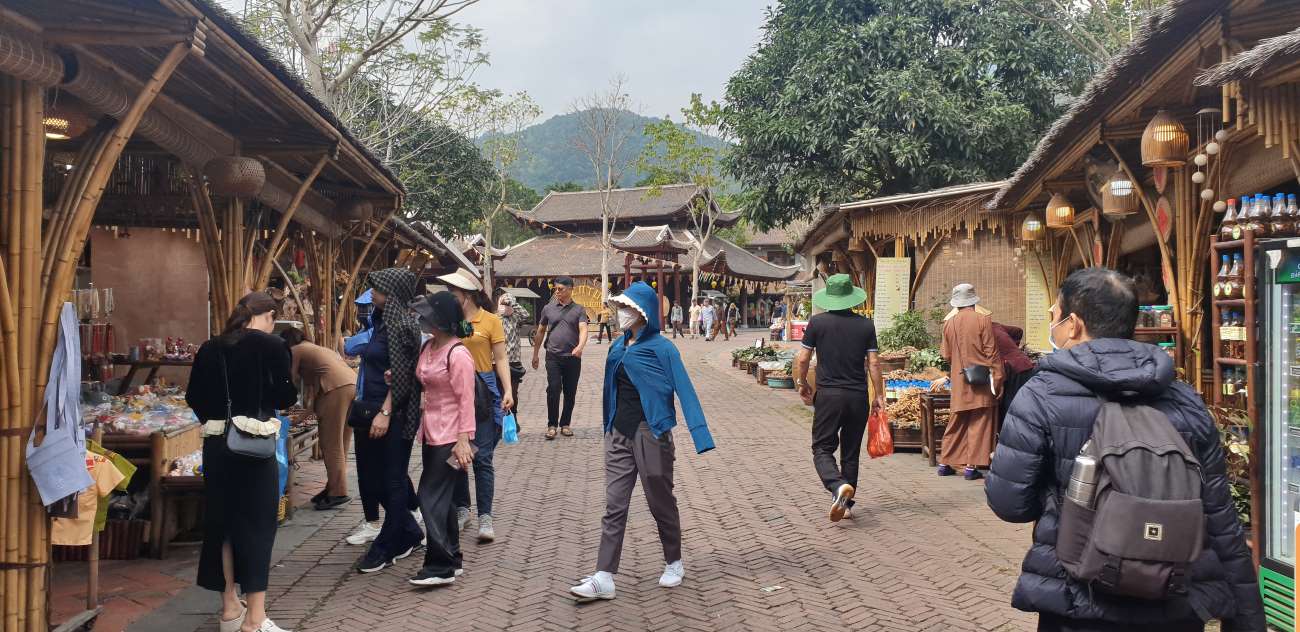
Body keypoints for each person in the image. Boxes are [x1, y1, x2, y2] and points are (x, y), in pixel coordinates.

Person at [985, 268, 1264, 632]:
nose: (1051, 321)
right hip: (1175, 597)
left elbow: (1010, 503)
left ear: (1074, 325)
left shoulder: (1040, 395)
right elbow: (1221, 519)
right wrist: (1245, 618)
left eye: (1054, 314)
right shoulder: (1184, 400)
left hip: (1076, 596)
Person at [569, 282, 715, 601]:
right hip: (619, 434)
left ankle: (674, 561)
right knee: (614, 505)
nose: (622, 313)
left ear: (643, 313)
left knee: (659, 501)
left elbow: (685, 389)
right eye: (621, 307)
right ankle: (604, 575)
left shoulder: (664, 348)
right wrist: (608, 427)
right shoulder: (617, 348)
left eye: (628, 308)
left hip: (653, 433)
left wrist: (700, 434)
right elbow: (611, 391)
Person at [186, 292, 298, 632]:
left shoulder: (210, 347)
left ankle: (230, 610)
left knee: (223, 526)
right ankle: (255, 618)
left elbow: (194, 398)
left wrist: (219, 416)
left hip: (217, 448)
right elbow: (286, 396)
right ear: (267, 315)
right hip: (252, 448)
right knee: (258, 527)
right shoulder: (272, 346)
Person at [793, 274, 884, 523]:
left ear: (830, 297)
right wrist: (878, 396)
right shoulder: (866, 325)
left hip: (829, 396)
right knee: (851, 452)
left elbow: (802, 359)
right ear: (851, 298)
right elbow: (874, 363)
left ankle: (836, 486)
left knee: (822, 448)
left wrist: (802, 384)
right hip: (857, 397)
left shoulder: (817, 323)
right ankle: (846, 505)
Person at [355, 268, 425, 575]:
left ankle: (389, 543)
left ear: (393, 294)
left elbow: (403, 375)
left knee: (392, 479)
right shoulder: (383, 322)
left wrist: (385, 412)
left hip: (393, 414)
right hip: (372, 412)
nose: (372, 294)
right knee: (373, 480)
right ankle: (409, 531)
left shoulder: (401, 326)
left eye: (378, 289)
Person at [406, 292, 478, 587]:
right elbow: (422, 378)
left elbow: (467, 401)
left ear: (440, 321)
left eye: (428, 316)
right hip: (431, 433)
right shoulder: (429, 348)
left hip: (452, 436)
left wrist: (463, 440)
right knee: (443, 500)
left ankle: (440, 565)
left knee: (428, 496)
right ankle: (453, 556)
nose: (423, 320)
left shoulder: (458, 354)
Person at [438, 269, 514, 543]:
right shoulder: (448, 320)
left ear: (467, 295)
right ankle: (462, 508)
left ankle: (486, 517)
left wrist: (507, 390)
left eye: (453, 293)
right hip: (453, 392)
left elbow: (501, 358)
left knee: (481, 457)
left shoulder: (491, 320)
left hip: (483, 392)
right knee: (456, 456)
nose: (449, 297)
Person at [280, 328, 357, 510]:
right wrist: (300, 418)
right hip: (352, 386)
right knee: (341, 441)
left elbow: (289, 379)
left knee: (330, 443)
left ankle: (338, 492)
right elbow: (315, 396)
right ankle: (333, 486)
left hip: (335, 389)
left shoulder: (296, 350)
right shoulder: (316, 349)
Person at [936, 284, 1001, 480]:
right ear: (974, 300)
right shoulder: (983, 320)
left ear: (956, 303)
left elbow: (945, 354)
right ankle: (971, 468)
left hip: (958, 379)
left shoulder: (949, 323)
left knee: (957, 420)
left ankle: (944, 463)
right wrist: (998, 378)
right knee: (979, 421)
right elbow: (992, 352)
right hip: (981, 380)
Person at [532, 276, 588, 440]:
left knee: (570, 391)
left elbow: (583, 329)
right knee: (554, 388)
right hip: (553, 356)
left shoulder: (579, 310)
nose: (557, 292)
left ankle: (565, 424)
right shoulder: (548, 309)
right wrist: (535, 354)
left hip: (572, 357)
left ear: (571, 289)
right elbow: (541, 331)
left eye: (561, 289)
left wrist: (580, 347)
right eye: (555, 289)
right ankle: (551, 425)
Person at [494, 288, 529, 428]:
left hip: (514, 361)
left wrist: (512, 303)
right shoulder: (495, 319)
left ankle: (513, 417)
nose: (506, 307)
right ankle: (500, 420)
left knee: (513, 392)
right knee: (499, 392)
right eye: (505, 304)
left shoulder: (515, 317)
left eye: (509, 304)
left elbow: (526, 314)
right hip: (498, 360)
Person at [992, 322, 1035, 428]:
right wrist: (1013, 348)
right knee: (1024, 402)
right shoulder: (995, 325)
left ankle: (1008, 432)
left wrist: (1008, 354)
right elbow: (1018, 331)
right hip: (1024, 363)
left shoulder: (982, 331)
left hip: (1011, 368)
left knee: (1009, 404)